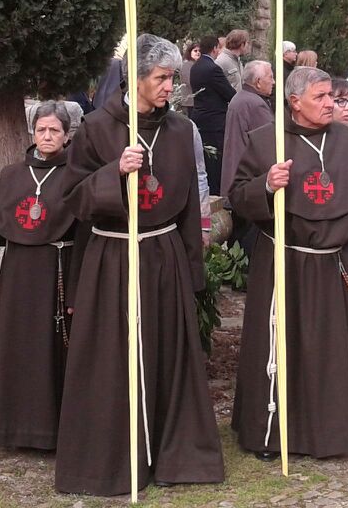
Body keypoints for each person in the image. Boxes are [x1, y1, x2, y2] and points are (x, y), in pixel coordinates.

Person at [54, 34, 224, 495]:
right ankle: (110, 460)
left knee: (166, 351)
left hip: (164, 252)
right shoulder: (95, 128)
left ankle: (171, 454)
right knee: (112, 357)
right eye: (162, 78)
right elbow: (73, 200)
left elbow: (190, 203)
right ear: (136, 78)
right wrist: (113, 173)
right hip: (113, 255)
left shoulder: (180, 130)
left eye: (173, 78)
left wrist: (193, 271)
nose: (171, 86)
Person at [229, 66, 348, 460]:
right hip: (285, 262)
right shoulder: (266, 142)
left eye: (333, 96)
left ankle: (328, 432)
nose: (332, 103)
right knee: (281, 346)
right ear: (294, 102)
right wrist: (265, 184)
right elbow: (237, 197)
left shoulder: (346, 140)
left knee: (329, 350)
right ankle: (272, 430)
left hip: (334, 262)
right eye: (321, 97)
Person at [0, 101, 77, 451]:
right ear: (33, 133)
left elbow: (85, 230)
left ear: (66, 134)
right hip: (18, 276)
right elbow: (3, 227)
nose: (47, 136)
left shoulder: (77, 174)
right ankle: (12, 429)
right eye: (41, 130)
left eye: (54, 131)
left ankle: (49, 431)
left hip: (55, 270)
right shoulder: (14, 174)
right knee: (17, 347)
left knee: (49, 350)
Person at [189, 35, 235, 196]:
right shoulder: (213, 68)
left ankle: (207, 192)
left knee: (205, 160)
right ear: (215, 48)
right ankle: (216, 194)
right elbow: (229, 93)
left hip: (199, 116)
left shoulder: (195, 66)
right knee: (216, 161)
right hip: (215, 120)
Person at [221, 61, 275, 197]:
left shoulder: (240, 97)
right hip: (247, 179)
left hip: (235, 174)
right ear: (258, 82)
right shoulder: (255, 104)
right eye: (270, 77)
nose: (273, 82)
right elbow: (269, 143)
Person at [176, 41, 200, 118]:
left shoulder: (197, 64)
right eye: (195, 51)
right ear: (190, 52)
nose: (198, 53)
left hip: (197, 101)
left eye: (200, 51)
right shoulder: (186, 64)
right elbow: (189, 81)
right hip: (190, 101)